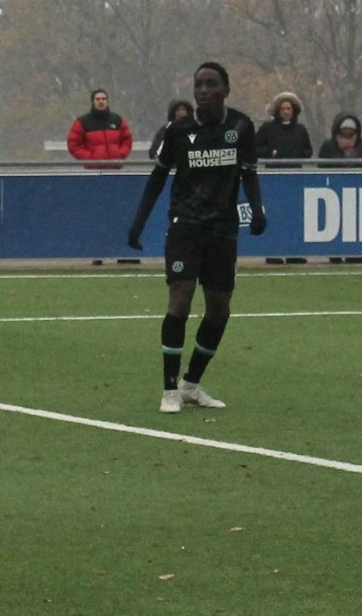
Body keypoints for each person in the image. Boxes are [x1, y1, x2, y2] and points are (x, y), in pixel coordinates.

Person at [127, 62, 265, 414]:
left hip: (223, 230)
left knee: (219, 309)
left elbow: (249, 173)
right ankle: (169, 389)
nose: (203, 91)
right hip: (185, 227)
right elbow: (158, 179)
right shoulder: (177, 130)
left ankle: (191, 383)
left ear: (225, 90)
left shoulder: (241, 126)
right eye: (198, 85)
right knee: (181, 300)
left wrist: (258, 209)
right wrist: (138, 223)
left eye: (210, 84)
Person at [68, 89, 133, 165]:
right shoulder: (82, 122)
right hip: (93, 171)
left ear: (107, 102)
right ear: (93, 102)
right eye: (97, 99)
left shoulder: (118, 120)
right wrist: (90, 158)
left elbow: (127, 140)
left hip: (116, 169)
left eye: (103, 99)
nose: (101, 101)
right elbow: (73, 145)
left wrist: (120, 154)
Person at [253, 92, 314, 166]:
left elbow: (308, 151)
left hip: (296, 173)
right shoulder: (267, 128)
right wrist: (269, 152)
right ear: (278, 110)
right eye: (283, 109)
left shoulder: (300, 129)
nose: (286, 111)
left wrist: (298, 154)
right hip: (273, 173)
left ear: (293, 110)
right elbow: (253, 148)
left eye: (288, 109)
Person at [147, 100, 193, 165]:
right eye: (177, 110)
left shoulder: (195, 129)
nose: (180, 112)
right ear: (173, 112)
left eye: (183, 109)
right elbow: (154, 152)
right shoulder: (165, 130)